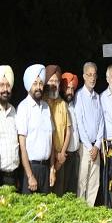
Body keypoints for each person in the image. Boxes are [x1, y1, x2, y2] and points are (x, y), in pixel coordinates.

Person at [16, 64, 53, 194]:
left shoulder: (46, 107)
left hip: (46, 169)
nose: (38, 87)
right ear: (28, 86)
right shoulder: (23, 108)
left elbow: (51, 140)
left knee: (46, 211)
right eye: (35, 83)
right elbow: (22, 147)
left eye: (41, 83)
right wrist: (30, 176)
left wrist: (52, 168)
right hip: (31, 169)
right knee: (30, 212)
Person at [75, 62, 105, 206]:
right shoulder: (79, 96)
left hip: (96, 147)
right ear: (84, 76)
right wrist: (90, 147)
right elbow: (80, 124)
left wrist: (97, 146)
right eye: (89, 75)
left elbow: (101, 123)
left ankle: (91, 212)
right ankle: (81, 214)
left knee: (94, 183)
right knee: (82, 182)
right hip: (85, 147)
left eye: (94, 75)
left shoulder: (97, 97)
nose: (92, 78)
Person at [43, 65, 72, 196]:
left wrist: (62, 155)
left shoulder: (63, 104)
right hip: (46, 158)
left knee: (59, 195)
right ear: (46, 82)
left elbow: (68, 131)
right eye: (51, 81)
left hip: (60, 158)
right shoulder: (41, 104)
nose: (53, 84)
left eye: (56, 81)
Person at [60, 72, 80, 194]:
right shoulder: (59, 106)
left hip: (75, 154)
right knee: (63, 188)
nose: (70, 92)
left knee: (73, 190)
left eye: (72, 89)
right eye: (68, 88)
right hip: (63, 155)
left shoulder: (75, 105)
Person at [0, 66, 19, 187]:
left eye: (8, 85)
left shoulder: (14, 111)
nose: (5, 89)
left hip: (12, 175)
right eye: (1, 85)